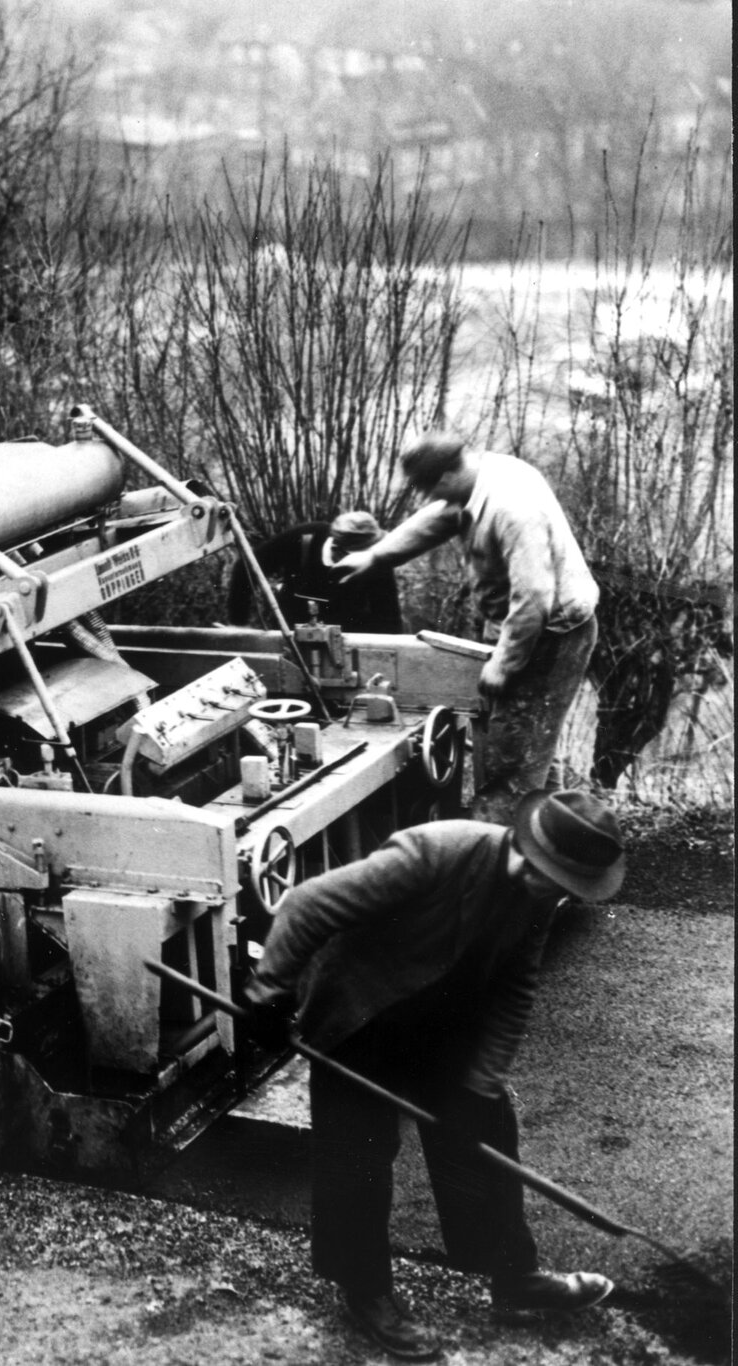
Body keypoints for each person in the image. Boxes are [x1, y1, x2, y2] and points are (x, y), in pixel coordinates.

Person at [244, 790, 624, 1361]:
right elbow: (305, 903)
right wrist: (269, 992)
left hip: (447, 1023)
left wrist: (484, 1078)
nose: (560, 892)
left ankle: (512, 1276)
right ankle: (366, 1291)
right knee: (358, 1158)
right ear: (529, 851)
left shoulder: (540, 896)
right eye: (557, 878)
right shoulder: (434, 852)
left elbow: (516, 987)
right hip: (364, 1013)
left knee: (488, 1133)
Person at [334, 433, 598, 824]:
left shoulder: (512, 506)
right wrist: (375, 555)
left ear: (443, 478)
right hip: (521, 626)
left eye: (428, 490)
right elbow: (438, 518)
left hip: (551, 635)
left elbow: (534, 598)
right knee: (530, 745)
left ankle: (500, 862)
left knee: (509, 761)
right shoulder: (480, 475)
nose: (427, 500)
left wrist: (504, 663)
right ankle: (551, 841)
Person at [228, 511, 403, 633]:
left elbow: (389, 619)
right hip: (291, 629)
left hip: (348, 636)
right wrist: (239, 622)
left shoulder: (376, 561)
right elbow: (247, 568)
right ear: (337, 549)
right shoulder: (304, 538)